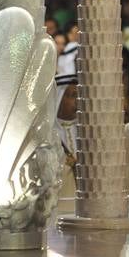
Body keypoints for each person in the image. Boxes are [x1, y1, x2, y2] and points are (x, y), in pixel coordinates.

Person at [54, 73, 80, 202]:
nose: (78, 101)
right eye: (73, 95)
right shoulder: (47, 134)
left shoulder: (85, 131)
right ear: (58, 98)